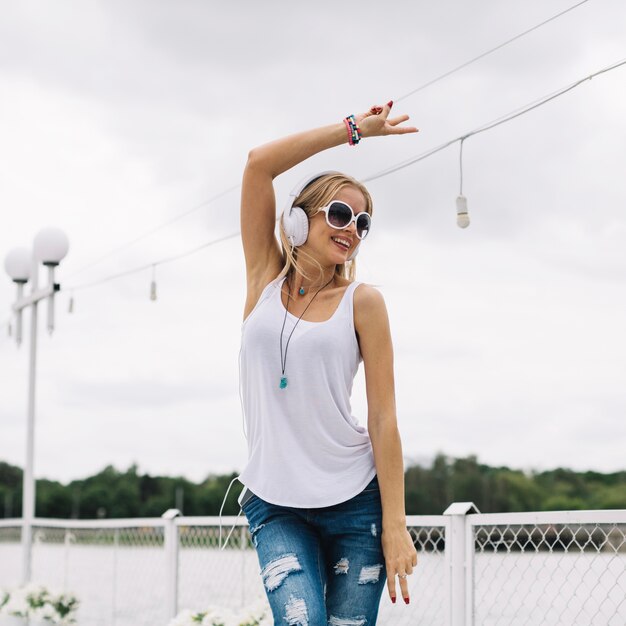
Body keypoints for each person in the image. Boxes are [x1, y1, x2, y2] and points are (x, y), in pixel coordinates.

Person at [237, 101, 418, 625]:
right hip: (275, 502)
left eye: (362, 221)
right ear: (300, 219)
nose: (351, 228)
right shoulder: (264, 280)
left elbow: (383, 418)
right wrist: (355, 129)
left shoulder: (364, 302)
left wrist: (395, 523)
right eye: (339, 213)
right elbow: (257, 165)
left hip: (355, 501)